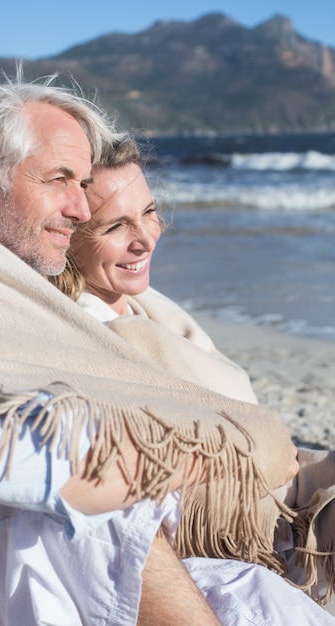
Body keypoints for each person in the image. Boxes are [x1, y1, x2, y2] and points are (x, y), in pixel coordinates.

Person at [0, 69, 331, 626]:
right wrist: (232, 445)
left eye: (81, 182)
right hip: (40, 550)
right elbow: (3, 449)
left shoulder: (13, 289)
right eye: (60, 178)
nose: (80, 207)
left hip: (225, 521)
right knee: (98, 518)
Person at [55, 135, 335, 613]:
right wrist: (260, 450)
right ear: (68, 235)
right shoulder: (90, 333)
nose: (145, 236)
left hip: (274, 498)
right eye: (115, 225)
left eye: (148, 211)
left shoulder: (148, 307)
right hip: (234, 530)